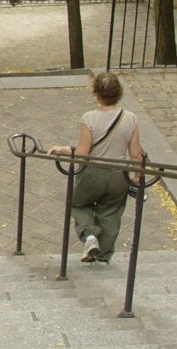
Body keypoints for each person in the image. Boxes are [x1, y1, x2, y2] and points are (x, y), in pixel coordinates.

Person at [47, 72, 143, 264]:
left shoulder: (89, 119)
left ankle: (89, 237)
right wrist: (137, 177)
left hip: (92, 174)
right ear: (119, 93)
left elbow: (83, 153)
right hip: (119, 175)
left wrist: (64, 150)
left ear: (96, 93)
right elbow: (136, 154)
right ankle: (103, 254)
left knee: (78, 204)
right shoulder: (131, 118)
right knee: (111, 212)